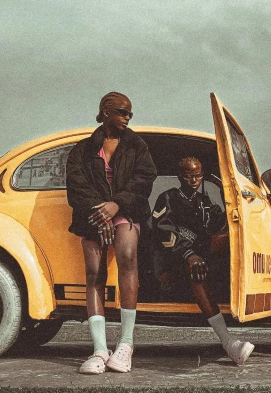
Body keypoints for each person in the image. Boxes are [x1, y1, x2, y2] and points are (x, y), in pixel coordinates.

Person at [66, 92, 157, 374]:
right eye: (122, 112)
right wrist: (100, 212)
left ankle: (126, 346)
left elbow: (145, 178)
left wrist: (117, 204)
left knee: (127, 260)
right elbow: (76, 186)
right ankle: (99, 351)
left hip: (127, 211)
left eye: (130, 113)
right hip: (93, 215)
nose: (128, 117)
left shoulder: (136, 145)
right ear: (105, 112)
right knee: (94, 273)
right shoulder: (82, 149)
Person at [151, 156, 254, 365]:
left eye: (198, 175)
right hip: (174, 262)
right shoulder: (168, 198)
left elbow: (219, 225)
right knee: (198, 270)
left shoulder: (204, 202)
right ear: (180, 177)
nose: (194, 180)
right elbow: (164, 234)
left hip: (200, 258)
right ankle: (228, 342)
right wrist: (189, 255)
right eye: (189, 176)